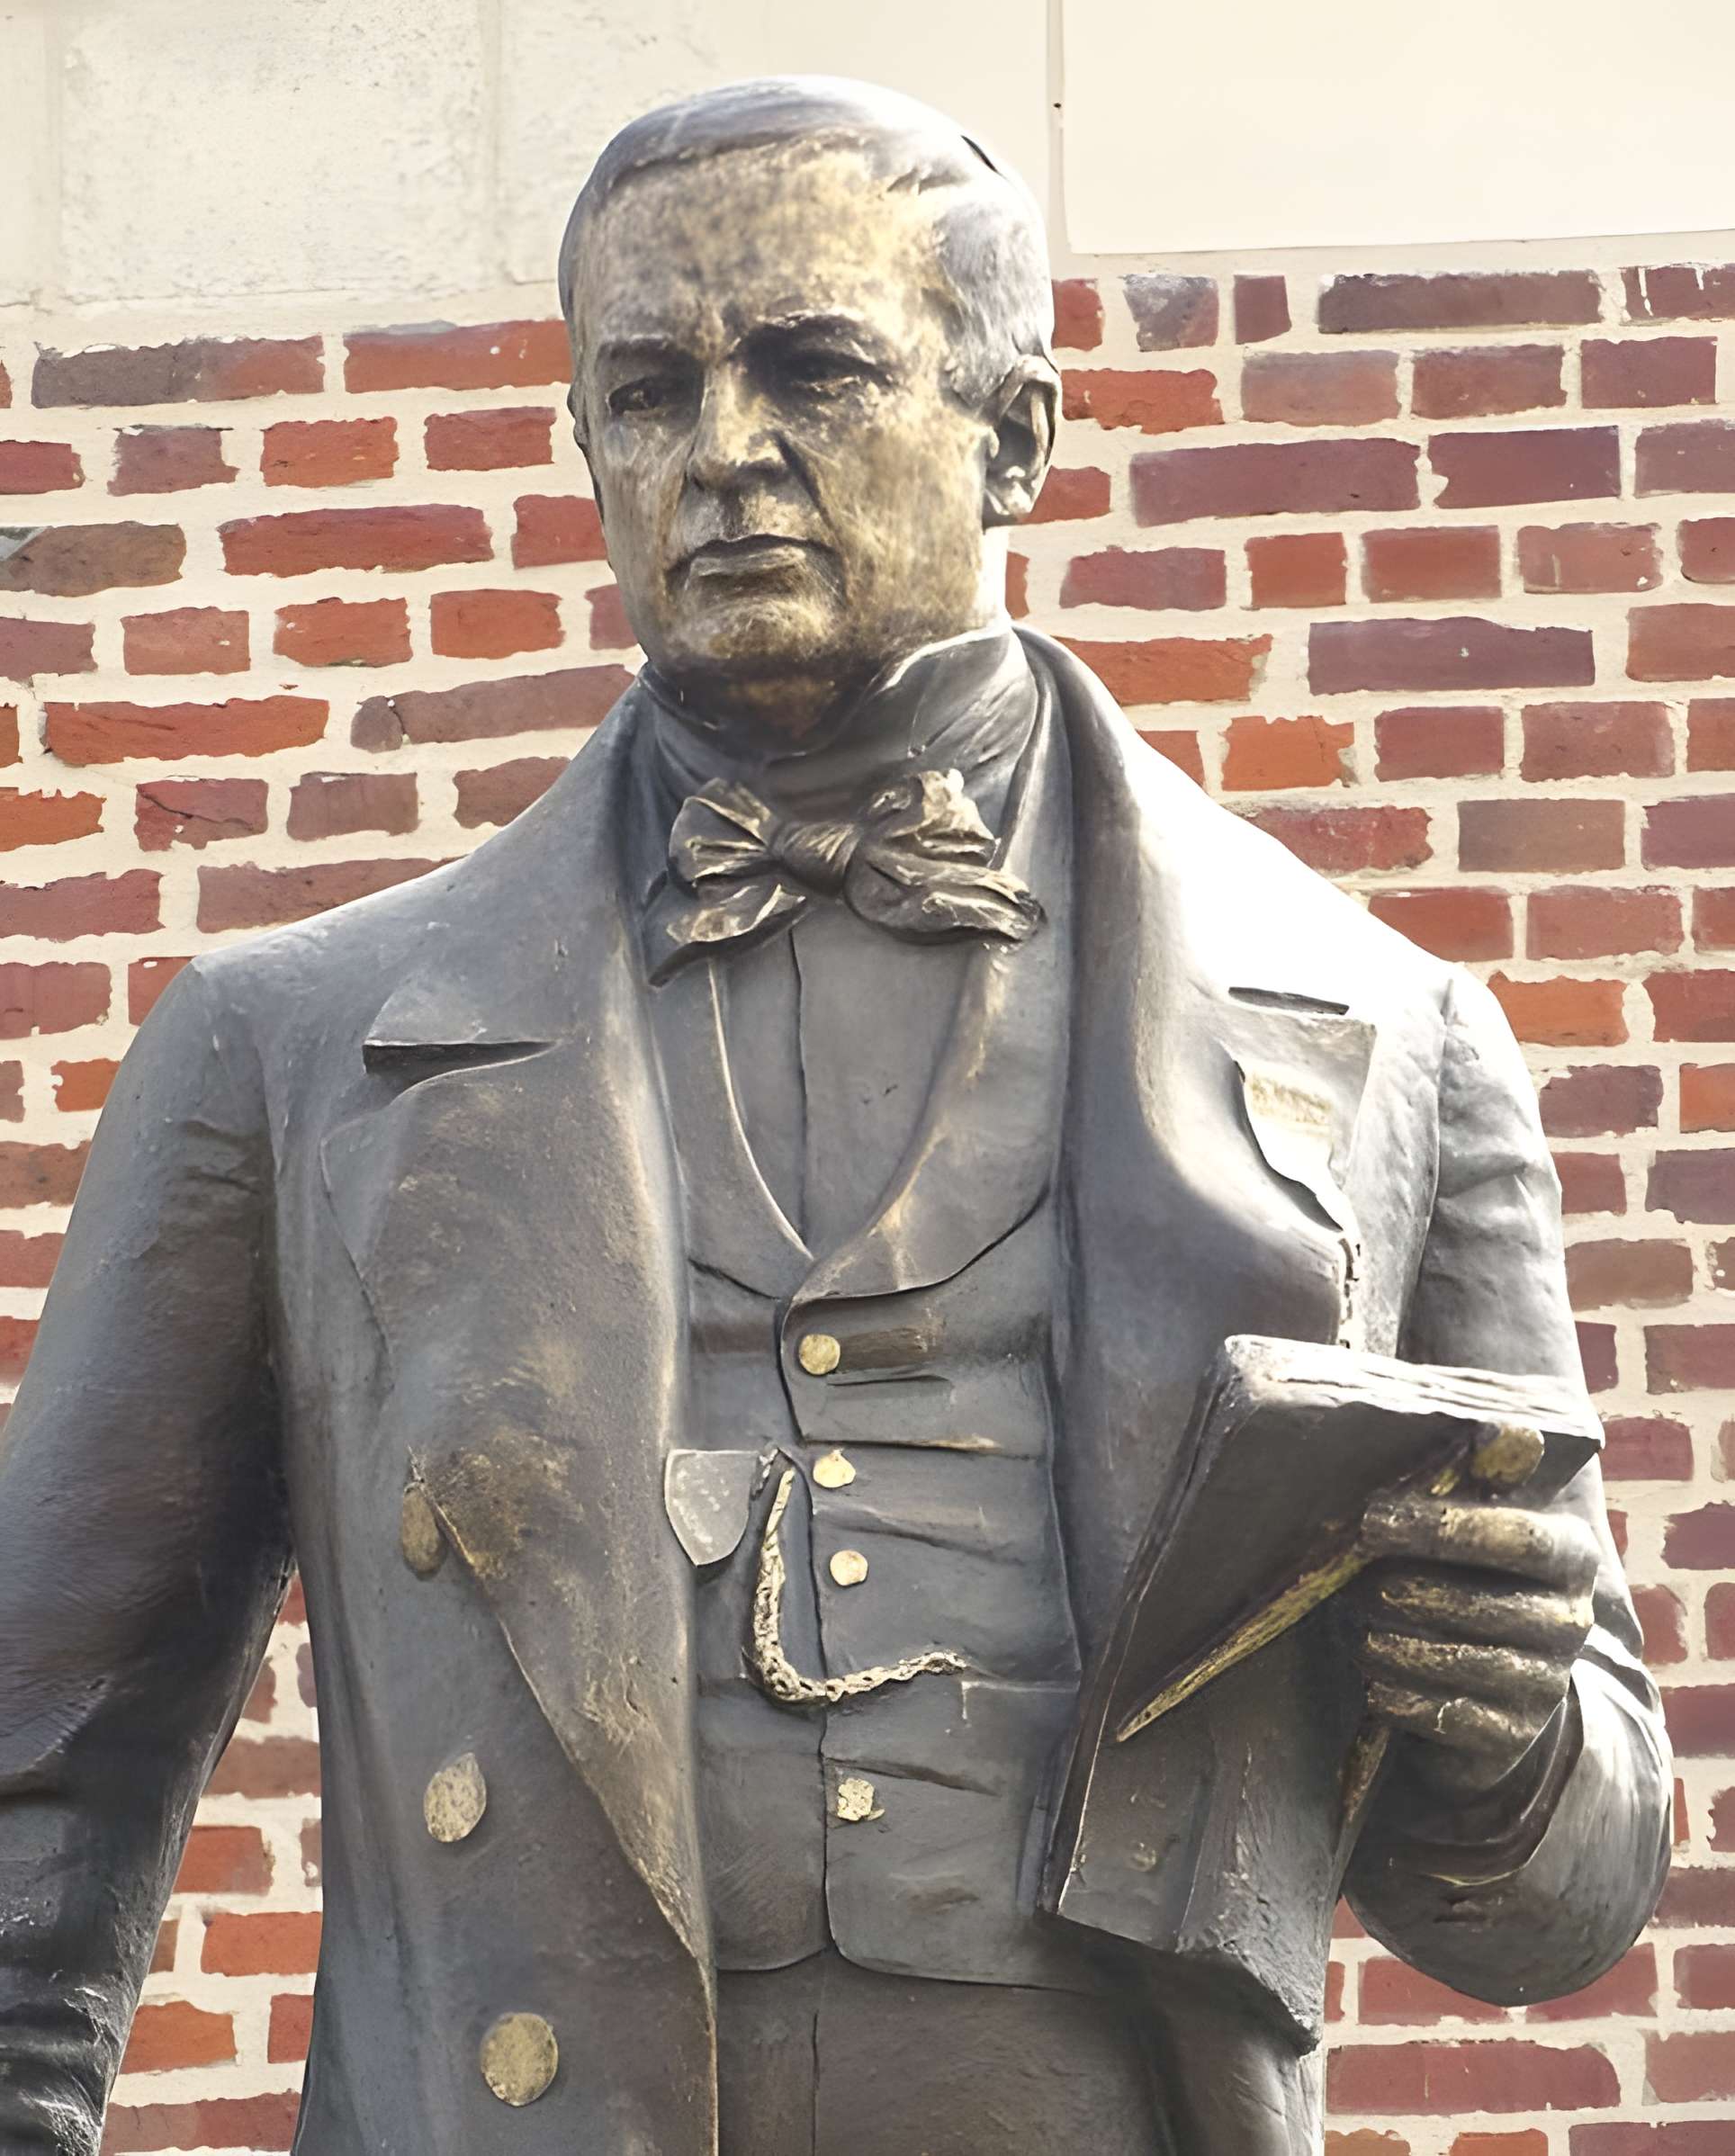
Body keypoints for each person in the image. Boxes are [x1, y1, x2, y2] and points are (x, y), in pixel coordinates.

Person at [0, 77, 1668, 2156]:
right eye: (643, 390)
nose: (719, 455)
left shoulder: (1390, 1038)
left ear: (1019, 433)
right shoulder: (287, 1047)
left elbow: (1556, 1904)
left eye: (811, 370)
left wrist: (1499, 1731)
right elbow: (36, 1778)